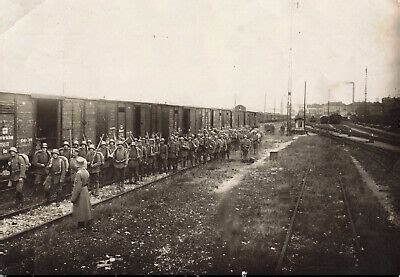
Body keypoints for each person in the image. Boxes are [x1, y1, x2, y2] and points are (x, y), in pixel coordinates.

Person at [71, 156, 92, 229]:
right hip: (85, 190)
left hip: (81, 192)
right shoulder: (86, 171)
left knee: (80, 208)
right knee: (86, 207)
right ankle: (88, 222)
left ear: (77, 164)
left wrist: (73, 198)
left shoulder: (78, 173)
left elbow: (77, 187)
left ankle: (81, 225)